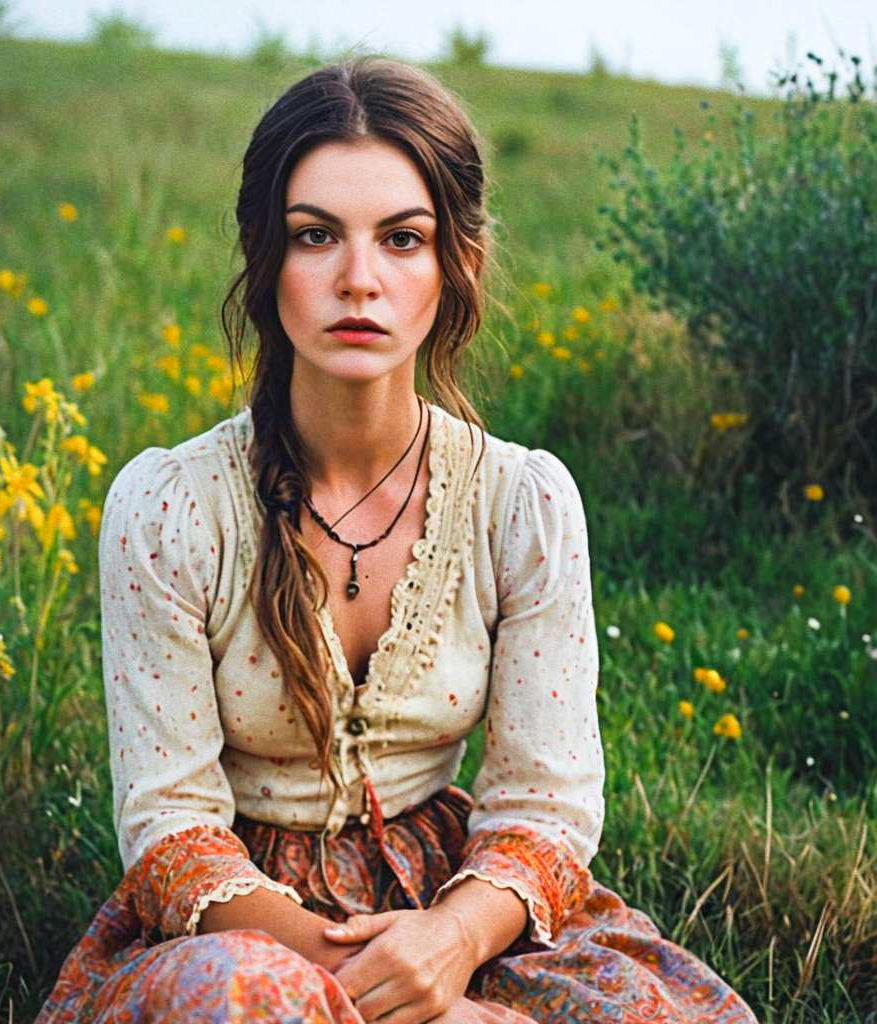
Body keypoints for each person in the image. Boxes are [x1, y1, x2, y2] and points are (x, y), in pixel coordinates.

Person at [38, 58, 757, 1023]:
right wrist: (373, 992)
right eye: (315, 235)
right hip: (239, 928)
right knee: (249, 1002)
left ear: (454, 262)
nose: (358, 280)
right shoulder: (172, 510)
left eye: (402, 239)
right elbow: (169, 828)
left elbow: (543, 804)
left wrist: (449, 946)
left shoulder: (521, 503)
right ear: (265, 257)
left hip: (452, 902)